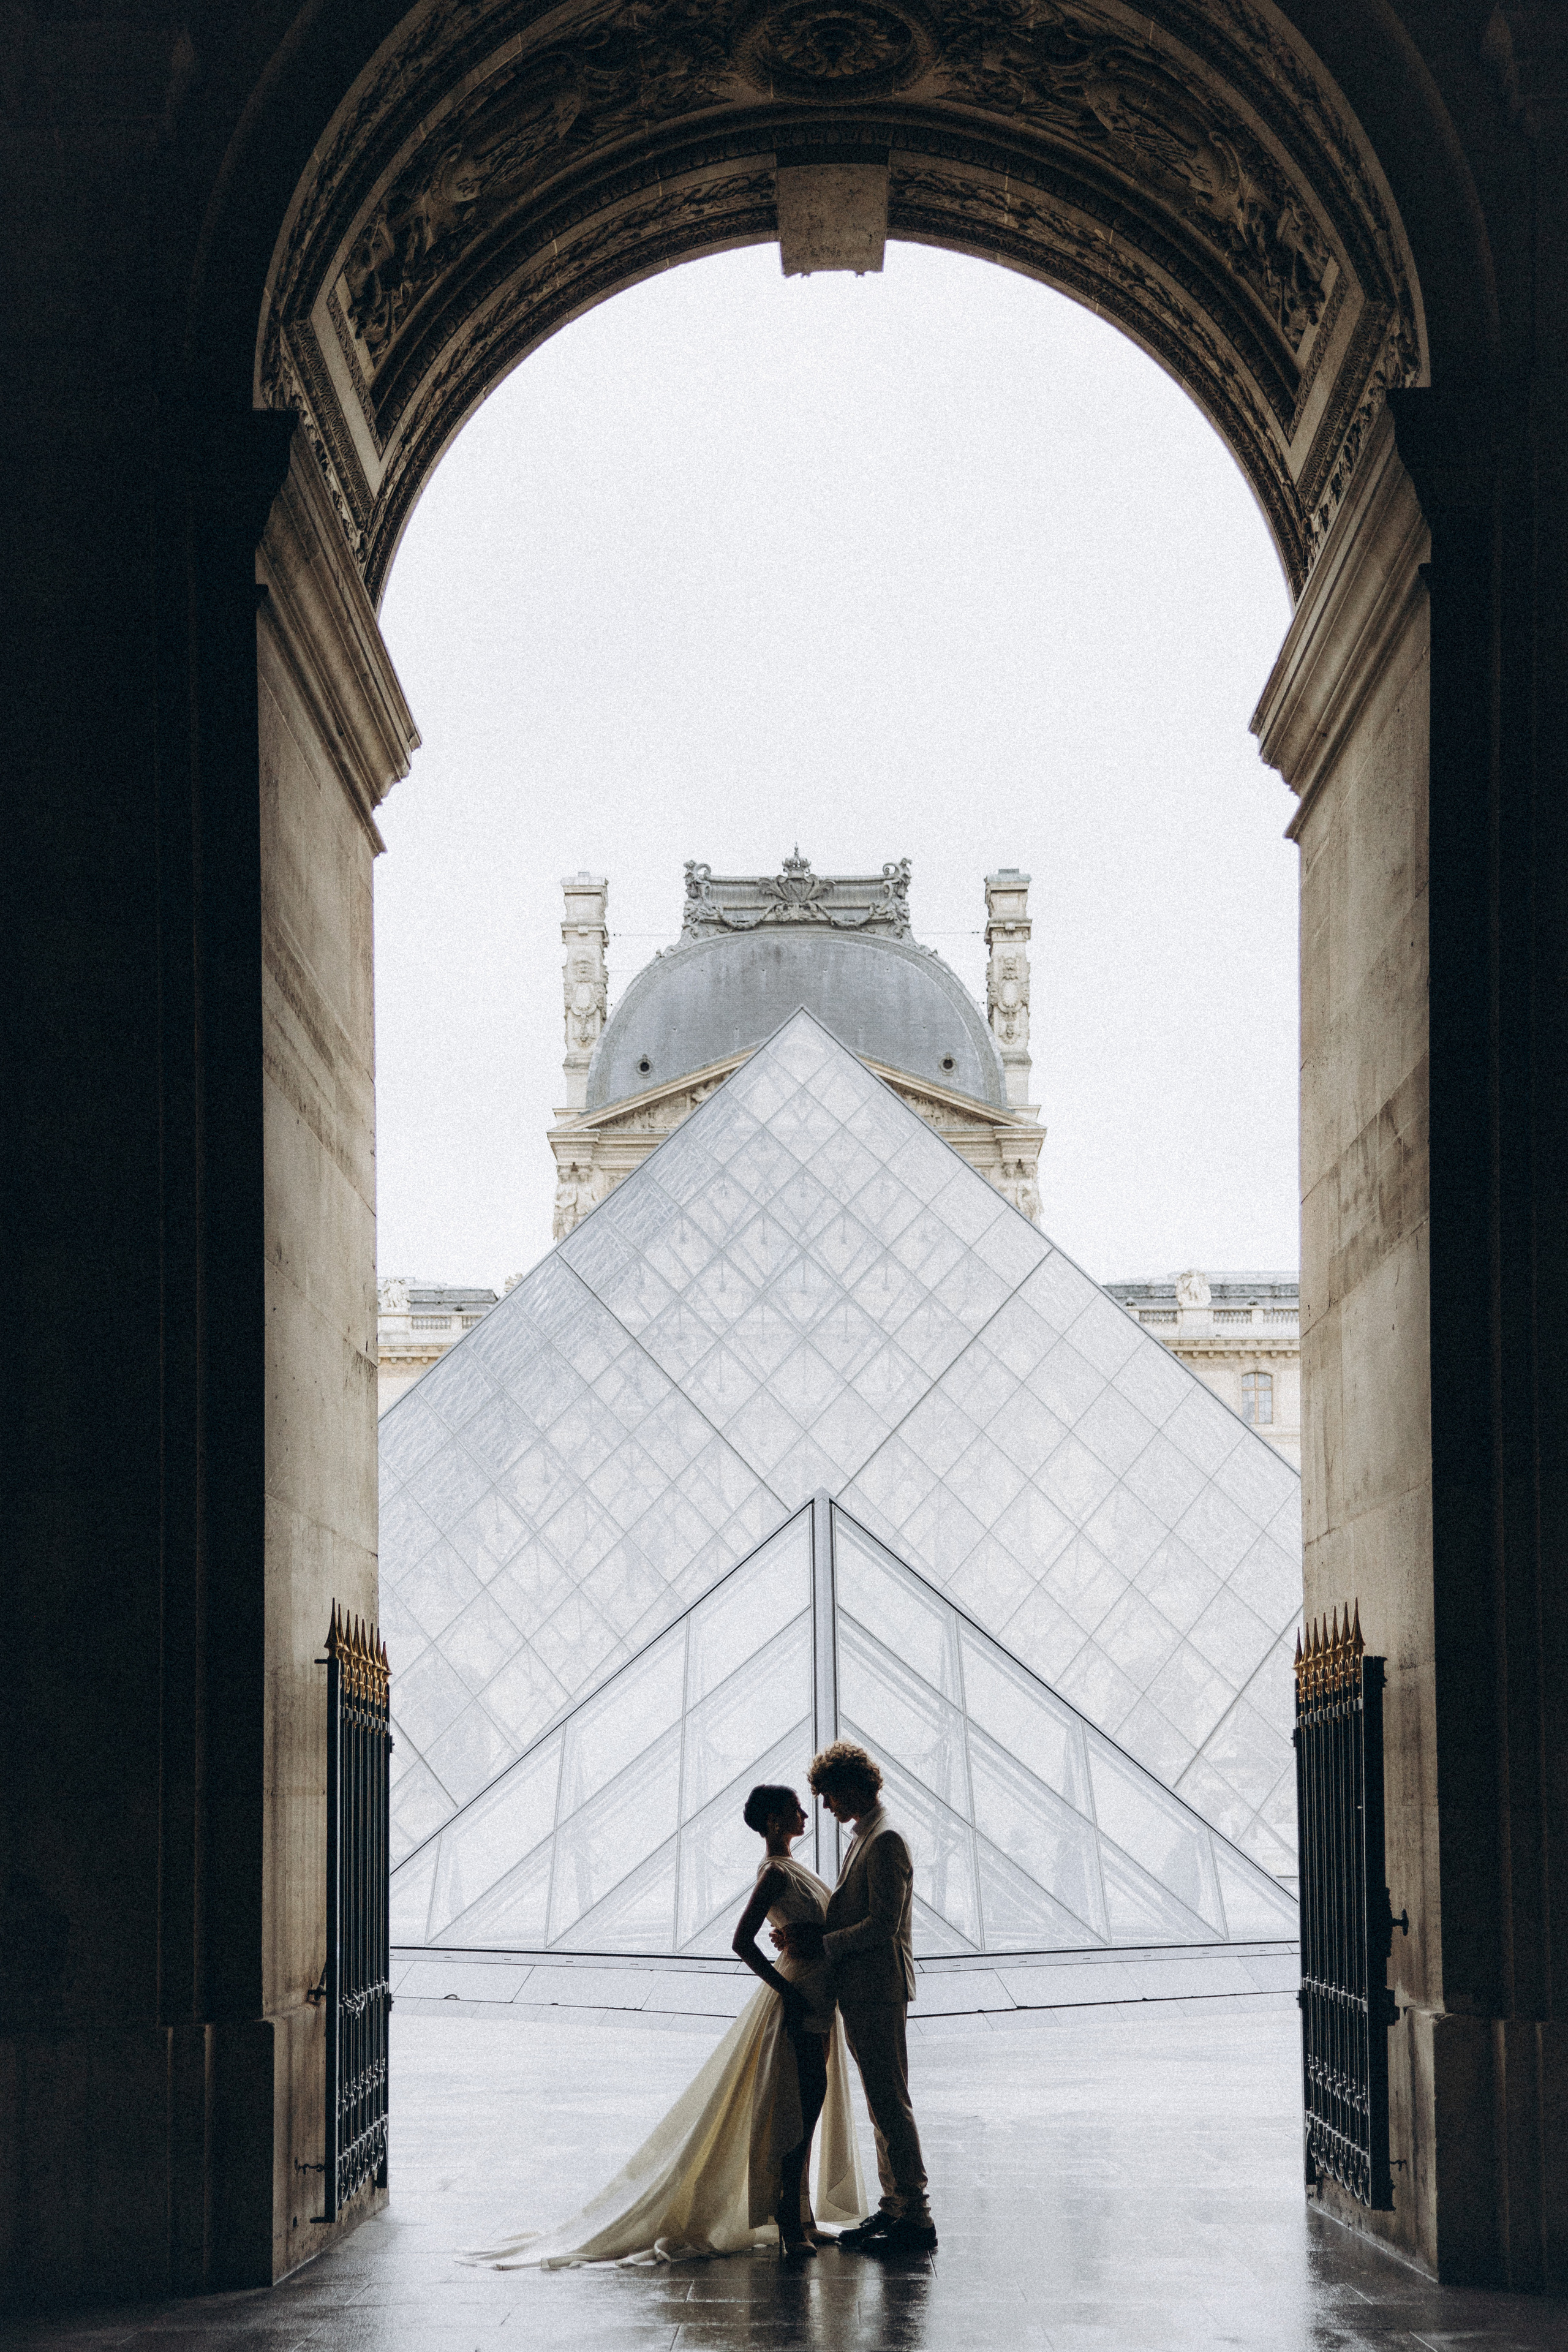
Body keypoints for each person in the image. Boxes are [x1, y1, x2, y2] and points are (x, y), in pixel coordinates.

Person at [465, 1784, 866, 2268]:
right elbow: (741, 1940)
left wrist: (793, 1943)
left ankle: (799, 2216)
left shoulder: (792, 1868)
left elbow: (801, 1928)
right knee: (796, 2112)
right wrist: (786, 1988)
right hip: (801, 1998)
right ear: (775, 1822)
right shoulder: (777, 1872)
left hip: (815, 1995)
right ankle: (787, 2221)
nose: (806, 1813)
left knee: (808, 2108)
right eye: (795, 1810)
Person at [775, 1741, 937, 2254]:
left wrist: (820, 1945)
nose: (825, 1806)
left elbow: (883, 1925)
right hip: (868, 1987)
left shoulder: (886, 1840)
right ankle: (897, 2208)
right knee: (882, 2102)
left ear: (852, 1787)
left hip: (879, 1988)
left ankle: (915, 2215)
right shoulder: (869, 1835)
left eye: (828, 1795)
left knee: (890, 2102)